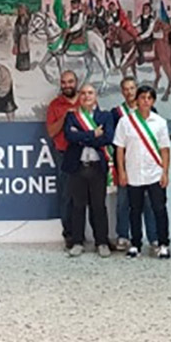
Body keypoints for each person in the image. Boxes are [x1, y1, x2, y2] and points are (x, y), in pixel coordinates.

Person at [114, 85, 171, 259]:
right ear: (137, 100)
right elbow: (119, 149)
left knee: (159, 209)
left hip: (154, 173)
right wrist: (122, 172)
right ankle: (136, 244)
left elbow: (165, 150)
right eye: (142, 98)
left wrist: (165, 172)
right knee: (135, 210)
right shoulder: (125, 122)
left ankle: (163, 243)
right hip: (133, 174)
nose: (146, 101)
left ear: (153, 101)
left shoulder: (160, 122)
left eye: (149, 98)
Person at [62, 83, 115, 257]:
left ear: (96, 96)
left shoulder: (105, 116)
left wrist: (82, 138)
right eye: (83, 93)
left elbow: (107, 138)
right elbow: (70, 136)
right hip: (77, 167)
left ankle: (102, 242)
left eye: (90, 93)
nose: (86, 96)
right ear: (79, 96)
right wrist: (93, 134)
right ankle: (77, 242)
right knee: (77, 206)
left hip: (97, 167)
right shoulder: (72, 116)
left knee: (98, 206)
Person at [112, 76, 158, 252]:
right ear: (122, 92)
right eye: (125, 89)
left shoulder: (152, 111)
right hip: (126, 165)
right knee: (123, 202)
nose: (129, 92)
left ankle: (153, 238)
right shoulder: (117, 114)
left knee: (149, 203)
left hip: (148, 166)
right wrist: (120, 169)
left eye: (132, 88)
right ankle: (123, 236)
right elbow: (116, 143)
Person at [45, 70, 79, 249]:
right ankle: (69, 234)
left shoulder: (86, 100)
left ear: (76, 82)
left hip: (86, 154)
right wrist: (65, 117)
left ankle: (89, 235)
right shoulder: (55, 105)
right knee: (66, 195)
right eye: (64, 82)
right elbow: (51, 132)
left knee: (89, 196)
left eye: (70, 82)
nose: (67, 85)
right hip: (64, 154)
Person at [12, 5, 31, 71]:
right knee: (20, 51)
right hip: (20, 38)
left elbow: (28, 20)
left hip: (24, 38)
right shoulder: (18, 22)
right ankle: (20, 66)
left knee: (25, 51)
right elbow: (16, 31)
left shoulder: (26, 19)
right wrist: (15, 41)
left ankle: (26, 66)